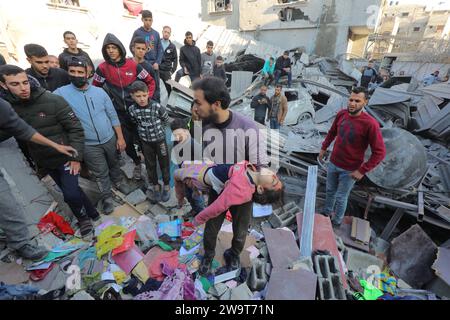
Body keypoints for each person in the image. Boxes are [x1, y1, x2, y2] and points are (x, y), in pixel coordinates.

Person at [0, 65, 98, 237]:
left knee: (70, 193)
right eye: (15, 84)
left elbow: (75, 129)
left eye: (25, 82)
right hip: (44, 160)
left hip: (66, 157)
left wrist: (77, 158)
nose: (23, 88)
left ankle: (83, 219)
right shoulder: (8, 109)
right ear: (3, 85)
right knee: (72, 190)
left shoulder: (53, 100)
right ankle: (93, 213)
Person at [192, 76, 268, 275]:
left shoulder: (247, 128)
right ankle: (208, 256)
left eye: (198, 102)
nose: (195, 106)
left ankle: (233, 254)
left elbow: (259, 166)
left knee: (241, 231)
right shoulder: (205, 123)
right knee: (211, 227)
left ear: (215, 104)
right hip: (218, 186)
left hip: (243, 192)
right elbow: (203, 154)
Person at [0, 97, 77, 260]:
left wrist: (56, 146)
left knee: (7, 205)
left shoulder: (3, 105)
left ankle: (20, 244)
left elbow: (23, 129)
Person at [54, 59, 132, 214]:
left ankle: (118, 181)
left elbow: (112, 115)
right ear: (68, 72)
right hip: (88, 145)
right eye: (73, 72)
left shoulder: (99, 92)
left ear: (87, 73)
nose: (76, 75)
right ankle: (107, 197)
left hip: (109, 138)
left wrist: (120, 137)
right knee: (100, 172)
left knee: (114, 163)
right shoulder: (60, 94)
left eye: (80, 72)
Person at [319, 87, 386, 227]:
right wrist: (324, 148)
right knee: (330, 190)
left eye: (357, 101)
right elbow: (332, 132)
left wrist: (362, 171)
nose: (352, 103)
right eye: (351, 99)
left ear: (365, 102)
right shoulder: (342, 115)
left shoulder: (370, 124)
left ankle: (336, 222)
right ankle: (326, 213)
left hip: (350, 170)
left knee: (341, 197)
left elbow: (379, 152)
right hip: (333, 162)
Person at [92, 33, 155, 181]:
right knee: (125, 141)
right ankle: (137, 162)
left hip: (137, 110)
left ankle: (150, 164)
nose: (111, 51)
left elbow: (150, 81)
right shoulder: (102, 68)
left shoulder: (133, 65)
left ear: (120, 48)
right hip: (118, 112)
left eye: (114, 47)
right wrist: (105, 104)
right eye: (108, 48)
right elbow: (95, 88)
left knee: (143, 137)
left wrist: (146, 100)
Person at [174, 160, 283, 224]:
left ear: (260, 189)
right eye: (276, 177)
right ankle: (191, 192)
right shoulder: (253, 169)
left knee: (176, 174)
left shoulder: (239, 189)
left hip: (199, 176)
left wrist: (198, 220)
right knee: (184, 163)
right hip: (209, 167)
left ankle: (180, 199)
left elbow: (216, 207)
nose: (274, 175)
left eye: (273, 181)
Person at [128, 81, 171, 203]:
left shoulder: (156, 107)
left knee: (164, 164)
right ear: (132, 96)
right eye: (138, 96)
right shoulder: (132, 110)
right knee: (150, 166)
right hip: (146, 142)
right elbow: (135, 123)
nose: (141, 99)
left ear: (148, 94)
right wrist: (139, 146)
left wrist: (159, 130)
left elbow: (166, 120)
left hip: (160, 141)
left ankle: (167, 186)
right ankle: (156, 187)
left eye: (144, 95)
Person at [129, 10, 163, 79]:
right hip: (141, 65)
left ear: (152, 20)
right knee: (141, 86)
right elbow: (131, 46)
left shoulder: (156, 34)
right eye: (146, 20)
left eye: (150, 20)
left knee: (155, 85)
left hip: (154, 65)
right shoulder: (137, 32)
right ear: (142, 20)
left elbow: (160, 49)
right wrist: (138, 59)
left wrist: (157, 62)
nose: (148, 22)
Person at [131, 37, 160, 102]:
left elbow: (155, 87)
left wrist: (149, 100)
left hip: (142, 101)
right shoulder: (127, 63)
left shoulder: (149, 67)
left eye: (143, 49)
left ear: (146, 50)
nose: (141, 50)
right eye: (138, 48)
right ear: (133, 49)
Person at [159, 26, 178, 96]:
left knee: (169, 89)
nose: (166, 34)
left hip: (166, 71)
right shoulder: (158, 43)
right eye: (165, 32)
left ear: (170, 34)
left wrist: (172, 71)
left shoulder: (172, 46)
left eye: (168, 33)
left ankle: (169, 105)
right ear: (162, 32)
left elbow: (175, 60)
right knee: (154, 86)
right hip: (157, 69)